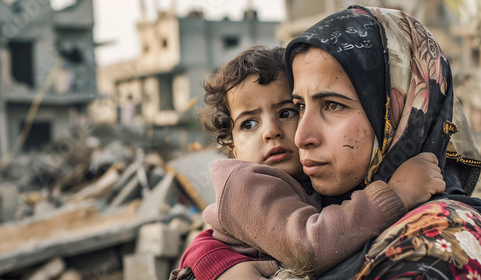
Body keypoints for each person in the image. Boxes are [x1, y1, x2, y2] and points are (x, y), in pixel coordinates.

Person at [173, 5, 481, 280]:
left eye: (332, 105)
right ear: (231, 146)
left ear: (395, 106)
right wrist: (210, 256)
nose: (299, 136)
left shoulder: (435, 245)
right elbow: (307, 244)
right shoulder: (256, 184)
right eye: (301, 106)